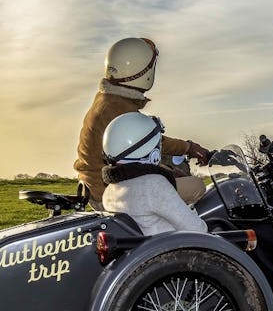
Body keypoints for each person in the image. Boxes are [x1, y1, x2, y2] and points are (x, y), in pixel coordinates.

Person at [74, 37, 211, 211]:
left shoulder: (108, 100)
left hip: (101, 185)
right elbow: (154, 142)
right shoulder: (116, 107)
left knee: (171, 169)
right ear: (144, 72)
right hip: (110, 192)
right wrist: (189, 147)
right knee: (197, 186)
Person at [100, 112, 207, 235]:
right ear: (153, 154)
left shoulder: (109, 192)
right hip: (173, 249)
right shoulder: (153, 184)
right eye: (158, 144)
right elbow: (198, 230)